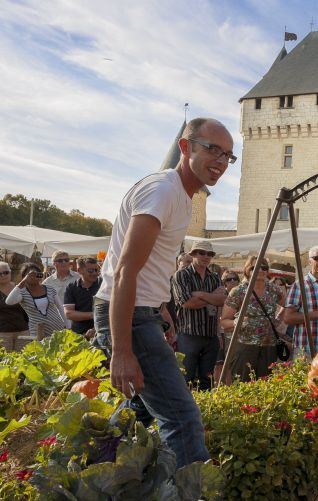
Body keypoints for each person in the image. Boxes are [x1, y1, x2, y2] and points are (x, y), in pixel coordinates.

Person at [95, 117, 235, 467]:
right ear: (185, 147)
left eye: (228, 155)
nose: (221, 161)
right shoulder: (163, 190)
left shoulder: (183, 197)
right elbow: (125, 271)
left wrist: (161, 313)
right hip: (128, 315)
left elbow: (150, 268)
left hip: (141, 313)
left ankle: (97, 471)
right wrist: (122, 351)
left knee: (140, 408)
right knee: (183, 418)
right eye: (213, 149)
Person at [171, 241, 226, 390]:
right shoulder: (181, 275)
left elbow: (222, 300)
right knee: (185, 380)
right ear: (193, 254)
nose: (206, 256)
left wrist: (200, 294)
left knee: (207, 382)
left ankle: (204, 406)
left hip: (210, 336)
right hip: (188, 335)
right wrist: (212, 296)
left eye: (210, 254)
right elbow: (187, 303)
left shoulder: (214, 277)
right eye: (202, 253)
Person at [220, 256, 285, 380]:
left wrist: (277, 320)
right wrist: (235, 322)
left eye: (264, 267)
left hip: (268, 346)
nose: (260, 270)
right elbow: (224, 322)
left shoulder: (274, 290)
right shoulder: (238, 291)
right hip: (244, 346)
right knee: (243, 384)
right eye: (255, 267)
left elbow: (285, 306)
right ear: (247, 270)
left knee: (266, 385)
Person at [7, 262, 66, 338]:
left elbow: (61, 308)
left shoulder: (49, 289)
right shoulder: (22, 293)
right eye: (30, 275)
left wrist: (67, 325)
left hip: (57, 328)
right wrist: (22, 283)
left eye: (36, 274)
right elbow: (9, 301)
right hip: (37, 331)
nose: (33, 277)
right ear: (24, 277)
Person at [63, 256, 102, 339]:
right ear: (79, 270)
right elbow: (69, 314)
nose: (95, 273)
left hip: (101, 332)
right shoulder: (71, 287)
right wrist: (94, 315)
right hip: (79, 335)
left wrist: (95, 328)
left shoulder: (102, 285)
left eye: (96, 270)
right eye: (90, 270)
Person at [43, 250, 80, 328]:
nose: (64, 262)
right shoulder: (47, 282)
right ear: (54, 263)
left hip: (77, 319)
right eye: (60, 261)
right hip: (57, 322)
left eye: (66, 260)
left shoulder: (79, 278)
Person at [0, 261, 28, 351]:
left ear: (10, 272)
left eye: (6, 272)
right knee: (4, 359)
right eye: (0, 274)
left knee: (24, 358)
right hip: (2, 333)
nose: (3, 275)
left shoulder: (20, 288)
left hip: (23, 331)